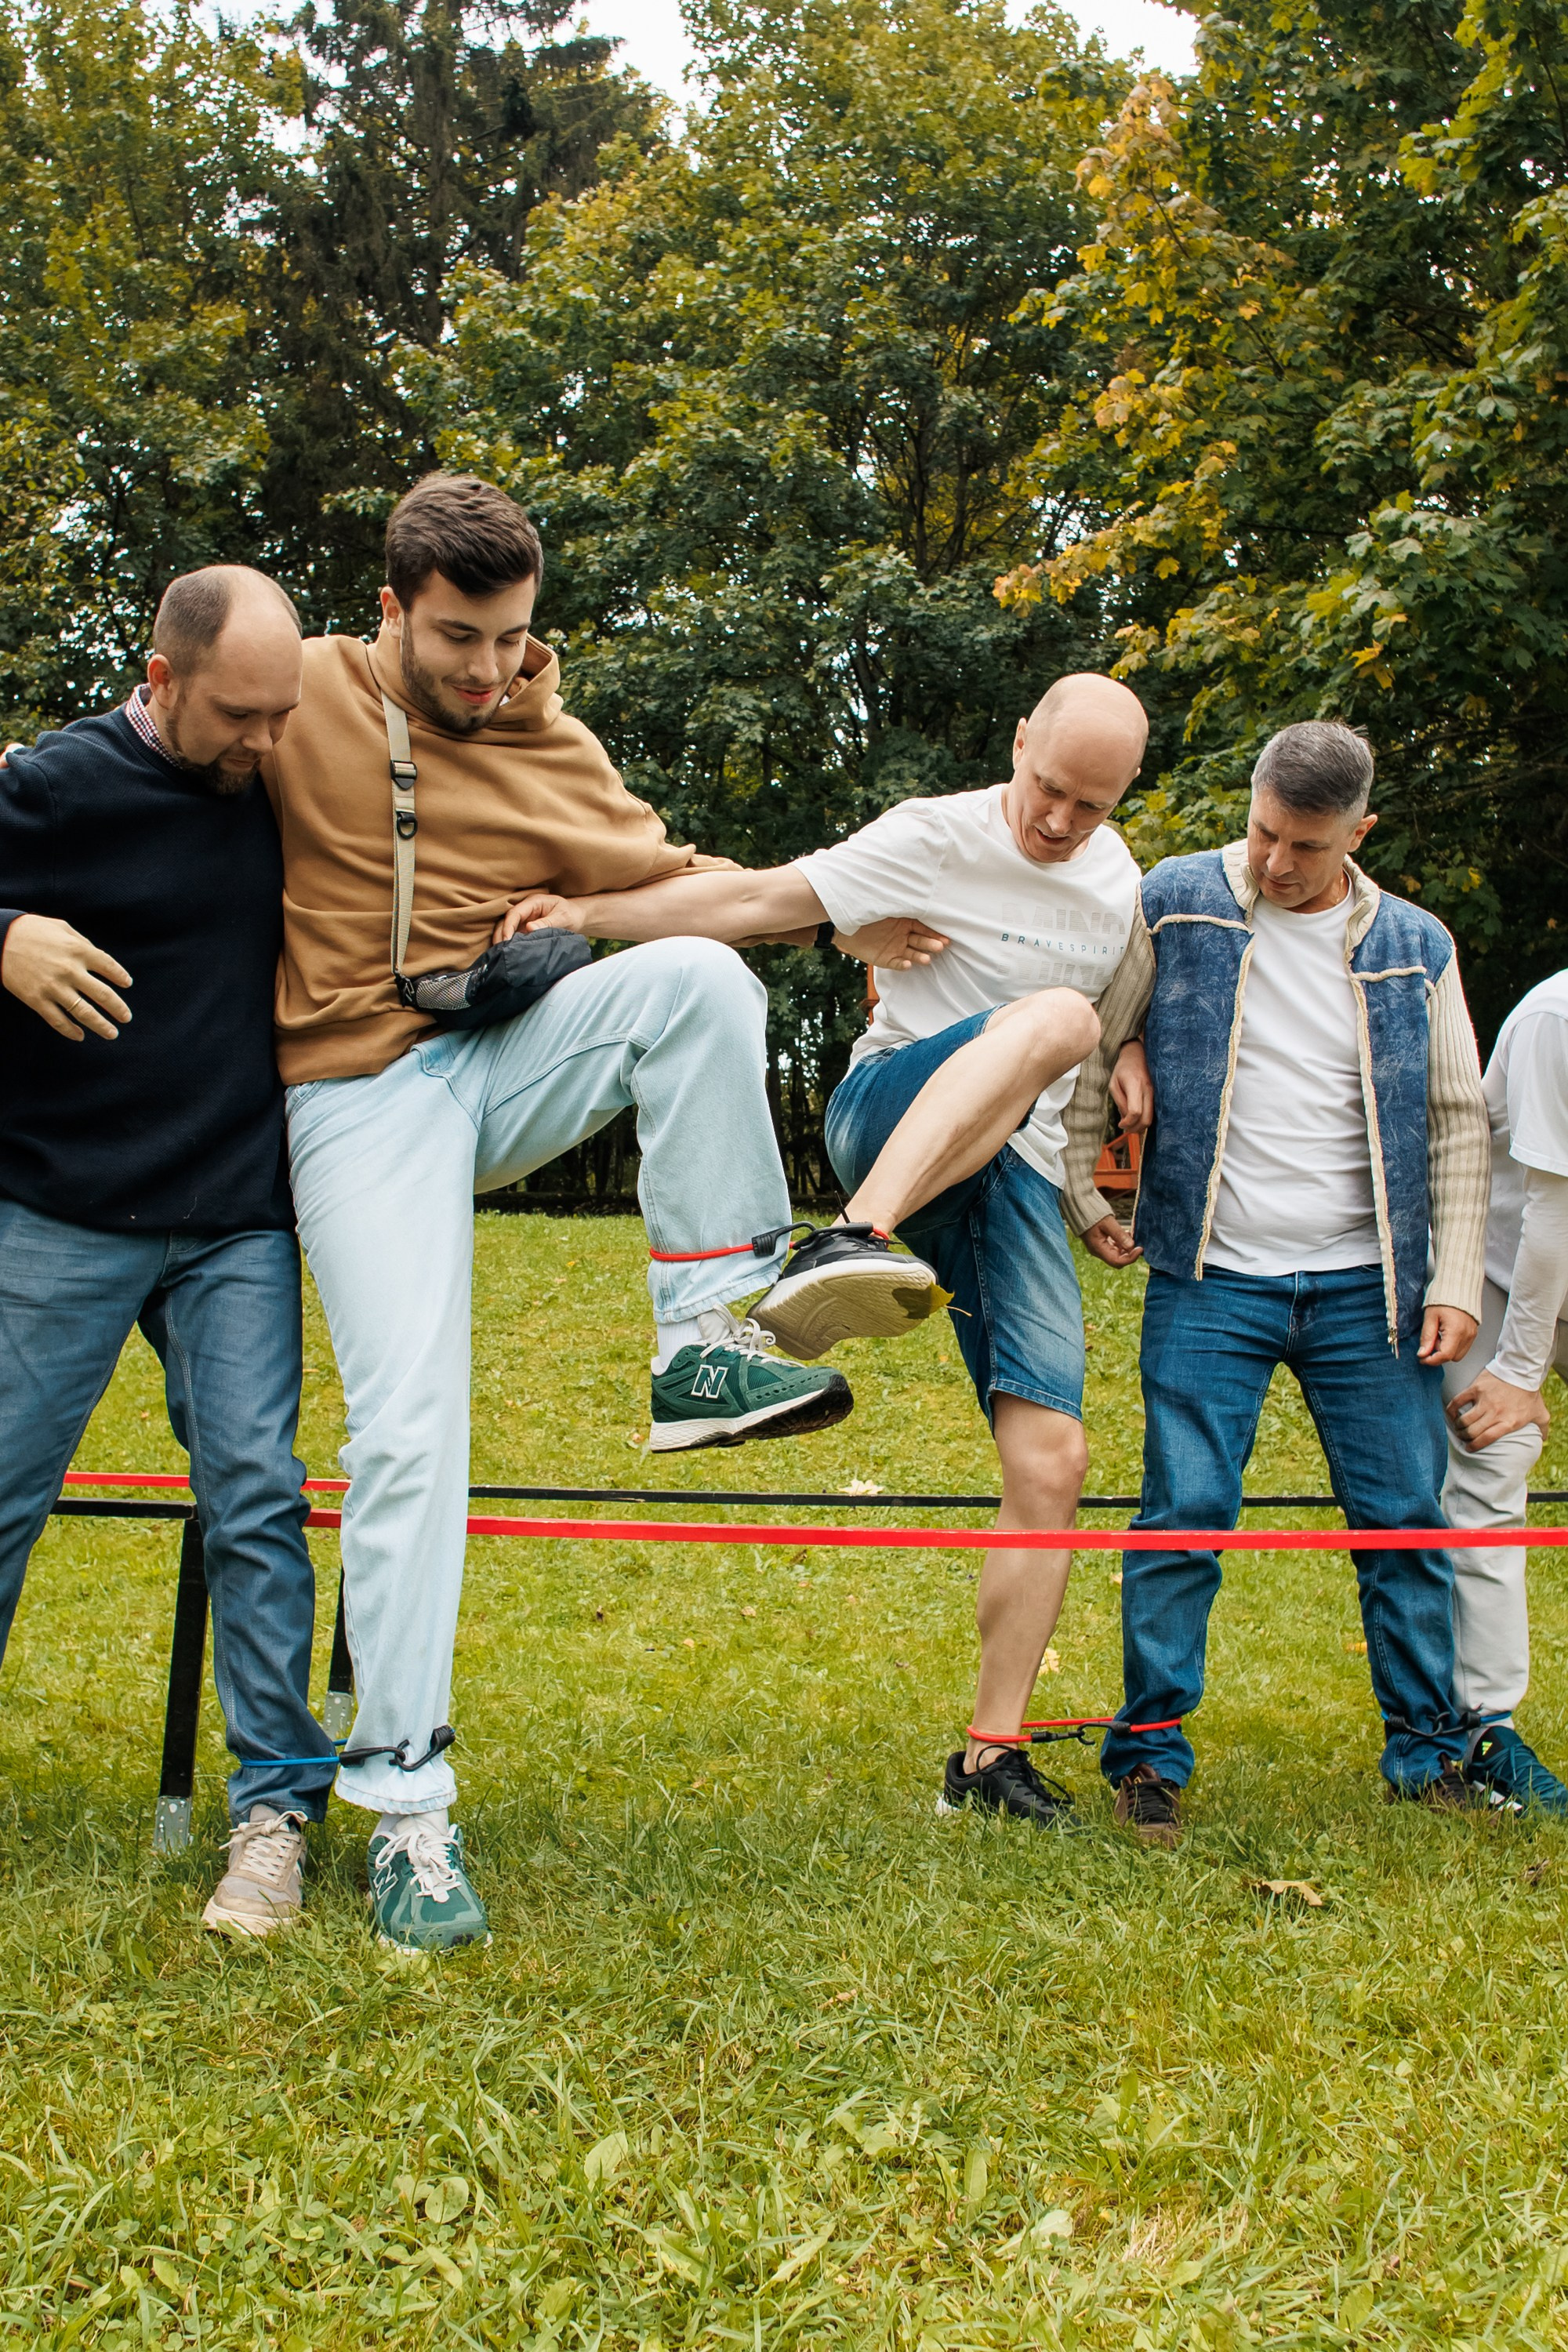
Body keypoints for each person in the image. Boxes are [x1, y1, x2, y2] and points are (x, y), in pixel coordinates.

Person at [268, 472, 933, 1951]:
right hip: (354, 1095)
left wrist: (838, 918)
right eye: (459, 639)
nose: (491, 671)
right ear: (389, 610)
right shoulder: (303, 691)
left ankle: (702, 1338)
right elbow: (148, 747)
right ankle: (406, 1811)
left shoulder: (543, 735)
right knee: (409, 1432)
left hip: (499, 1068)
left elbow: (690, 883)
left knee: (699, 976)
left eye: (514, 638)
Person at [514, 672, 1151, 1830]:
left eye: (1091, 808)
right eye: (1048, 788)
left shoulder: (1119, 888)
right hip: (888, 1115)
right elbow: (758, 900)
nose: (1060, 822)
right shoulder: (933, 835)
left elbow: (1093, 1068)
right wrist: (581, 915)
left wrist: (1082, 1188)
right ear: (1018, 742)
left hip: (1006, 1168)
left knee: (1054, 1459)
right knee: (1059, 1019)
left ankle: (989, 1757)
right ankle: (846, 1240)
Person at [1062, 720, 1491, 1846]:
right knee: (1182, 1517)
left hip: (1374, 1286)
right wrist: (1083, 1190)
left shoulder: (1417, 944)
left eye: (1305, 845)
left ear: (1361, 832)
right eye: (1262, 832)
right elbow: (1092, 1044)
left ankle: (1431, 1752)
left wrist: (1453, 1279)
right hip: (1213, 1275)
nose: (1274, 862)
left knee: (1403, 1520)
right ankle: (1149, 1756)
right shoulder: (1177, 900)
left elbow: (1457, 1123)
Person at [0, 566, 340, 1935]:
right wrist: (6, 933)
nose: (269, 745)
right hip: (58, 1204)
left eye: (284, 716)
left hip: (233, 1215)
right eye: (242, 720)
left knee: (255, 1492)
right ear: (162, 684)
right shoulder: (62, 786)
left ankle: (278, 1810)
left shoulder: (290, 772)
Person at [1439, 971, 1568, 1813]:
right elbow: (1549, 1215)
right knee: (1491, 1472)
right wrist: (1520, 1372)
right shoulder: (1556, 1020)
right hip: (1495, 1271)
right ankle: (1486, 1729)